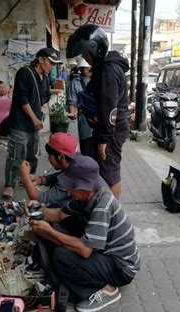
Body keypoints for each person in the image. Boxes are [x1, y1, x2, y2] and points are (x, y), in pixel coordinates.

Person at [30, 155, 140, 312]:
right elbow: (60, 214)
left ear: (85, 186)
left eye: (71, 186)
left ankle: (107, 290)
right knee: (64, 234)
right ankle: (74, 283)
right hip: (106, 254)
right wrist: (38, 210)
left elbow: (85, 250)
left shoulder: (103, 204)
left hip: (122, 268)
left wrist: (50, 231)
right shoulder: (84, 197)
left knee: (61, 256)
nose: (67, 190)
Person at [66, 24, 130, 199]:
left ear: (96, 49)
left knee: (110, 174)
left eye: (87, 54)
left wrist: (103, 139)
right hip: (107, 127)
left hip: (112, 130)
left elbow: (109, 108)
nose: (86, 58)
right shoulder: (103, 67)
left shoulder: (109, 70)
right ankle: (100, 206)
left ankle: (113, 215)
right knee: (100, 170)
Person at [2, 48, 62, 199]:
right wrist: (34, 118)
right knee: (16, 153)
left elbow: (45, 96)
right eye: (50, 62)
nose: (51, 66)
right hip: (20, 123)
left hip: (33, 125)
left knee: (32, 153)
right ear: (41, 59)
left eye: (54, 64)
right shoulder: (25, 73)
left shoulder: (45, 77)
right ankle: (10, 184)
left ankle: (28, 178)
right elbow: (22, 98)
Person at [18, 132, 78, 205]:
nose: (48, 159)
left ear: (60, 157)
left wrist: (24, 176)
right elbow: (61, 174)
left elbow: (38, 198)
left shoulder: (70, 179)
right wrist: (41, 180)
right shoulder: (73, 160)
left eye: (50, 156)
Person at [67, 58, 95, 158]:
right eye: (82, 68)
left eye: (87, 68)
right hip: (84, 120)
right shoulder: (75, 83)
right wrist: (73, 112)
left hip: (99, 119)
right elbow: (72, 101)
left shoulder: (99, 80)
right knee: (86, 149)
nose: (85, 71)